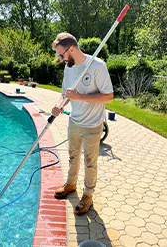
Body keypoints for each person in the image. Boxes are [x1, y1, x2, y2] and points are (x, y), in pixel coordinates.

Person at [51, 32, 113, 215]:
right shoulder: (69, 68)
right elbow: (65, 94)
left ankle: (88, 195)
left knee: (90, 162)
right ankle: (71, 184)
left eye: (61, 55)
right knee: (73, 156)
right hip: (74, 122)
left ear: (71, 49)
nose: (60, 59)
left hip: (93, 125)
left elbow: (109, 96)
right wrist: (58, 105)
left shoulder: (97, 66)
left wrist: (81, 97)